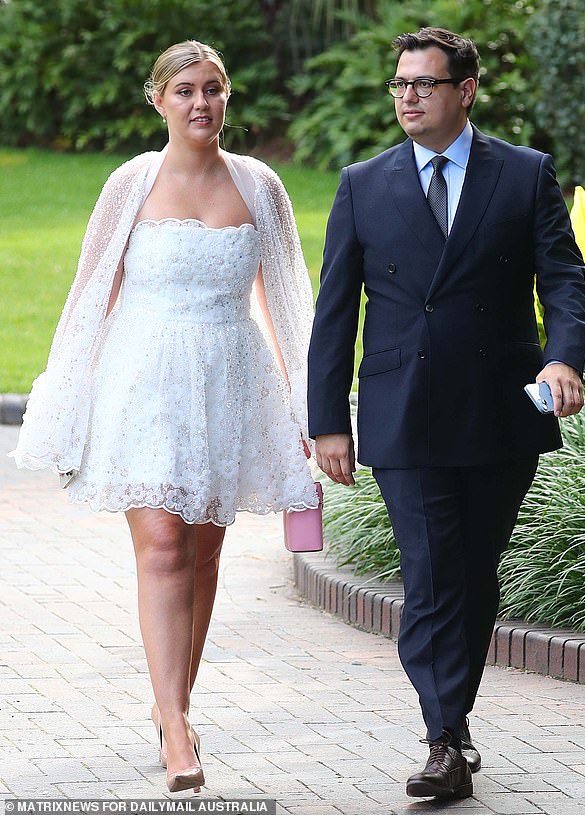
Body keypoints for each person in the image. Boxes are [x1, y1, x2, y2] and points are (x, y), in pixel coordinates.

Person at [10, 40, 319, 794]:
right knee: (160, 543)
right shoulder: (130, 183)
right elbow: (91, 294)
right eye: (184, 90)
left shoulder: (261, 185)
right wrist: (67, 398)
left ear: (227, 97)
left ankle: (172, 697)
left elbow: (287, 299)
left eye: (213, 89)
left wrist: (308, 404)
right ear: (158, 100)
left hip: (228, 383)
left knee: (205, 553)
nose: (201, 103)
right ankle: (178, 729)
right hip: (143, 380)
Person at [308, 27, 585, 801]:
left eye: (424, 84)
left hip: (500, 409)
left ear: (464, 91)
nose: (407, 96)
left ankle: (453, 722)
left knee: (472, 570)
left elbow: (564, 281)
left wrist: (561, 356)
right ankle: (442, 737)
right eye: (399, 83)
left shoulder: (524, 173)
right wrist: (328, 417)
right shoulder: (364, 183)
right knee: (431, 574)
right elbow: (335, 311)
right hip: (407, 409)